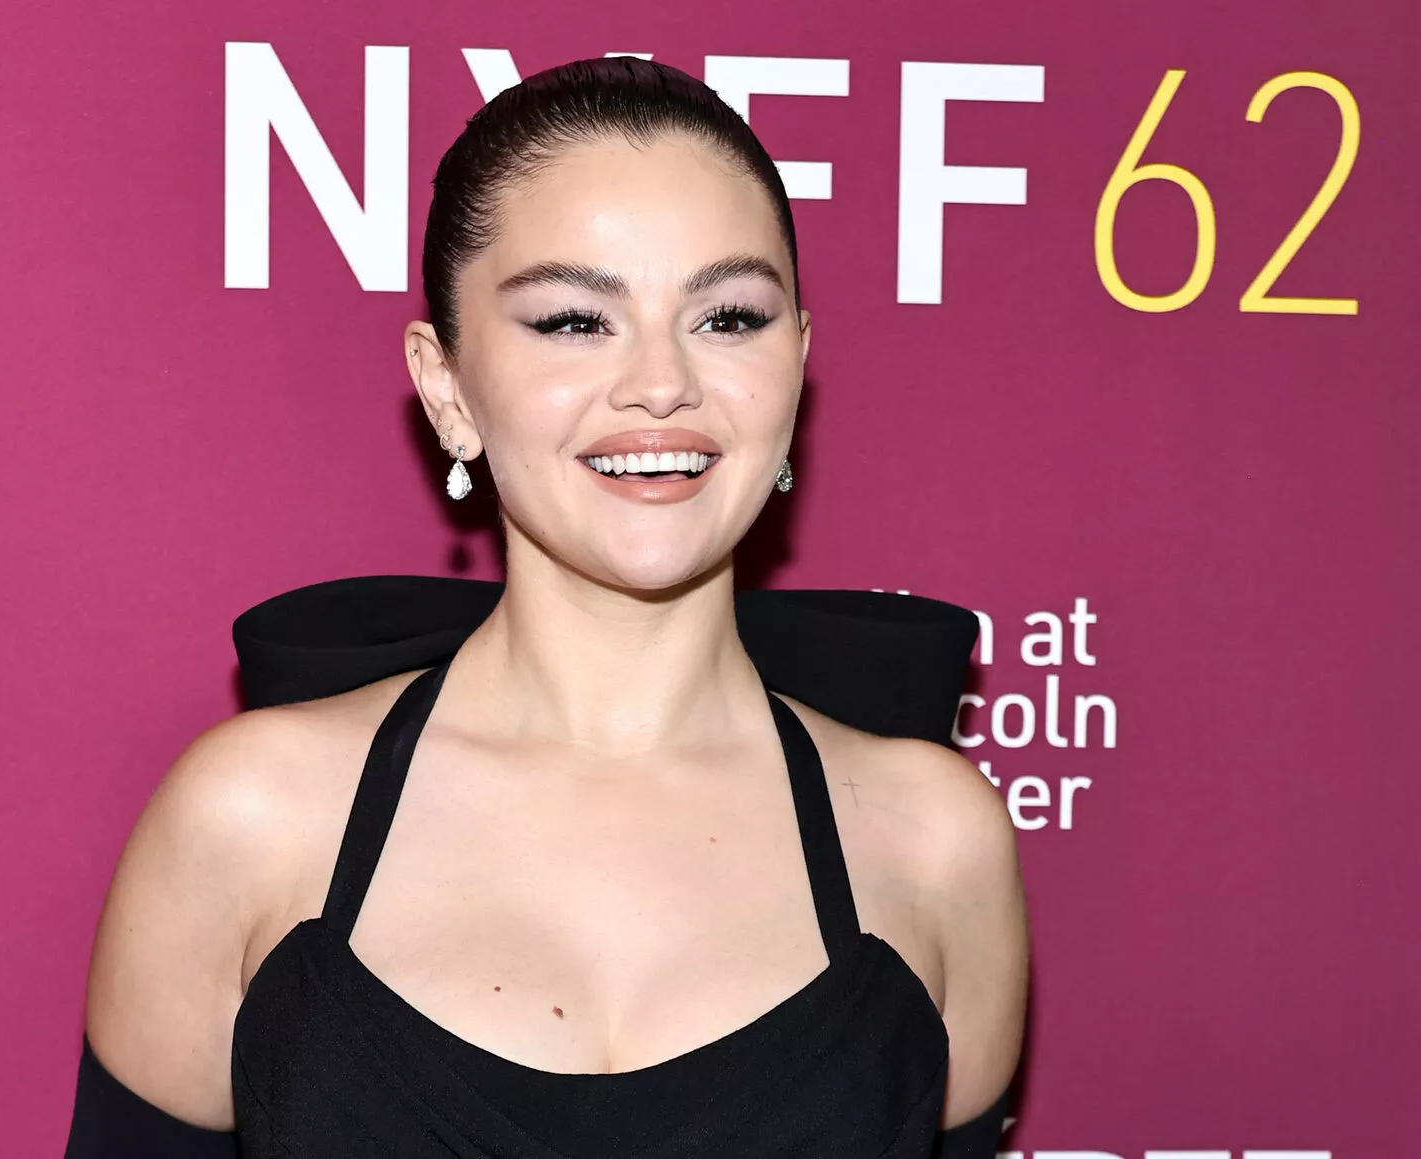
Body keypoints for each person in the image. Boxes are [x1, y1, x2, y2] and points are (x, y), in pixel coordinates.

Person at [65, 56, 1027, 1158]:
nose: (660, 382)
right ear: (446, 385)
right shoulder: (251, 822)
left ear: (798, 363)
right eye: (574, 321)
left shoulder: (934, 846)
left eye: (727, 317)